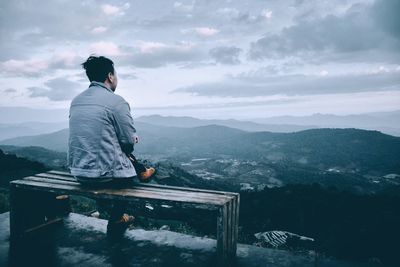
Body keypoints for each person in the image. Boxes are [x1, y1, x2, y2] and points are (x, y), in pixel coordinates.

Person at [68, 55, 155, 237]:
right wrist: (131, 140)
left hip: (78, 172)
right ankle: (117, 217)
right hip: (106, 175)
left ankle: (142, 171)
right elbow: (128, 143)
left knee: (112, 148)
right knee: (124, 171)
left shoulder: (76, 101)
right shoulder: (117, 102)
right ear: (110, 76)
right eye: (116, 74)